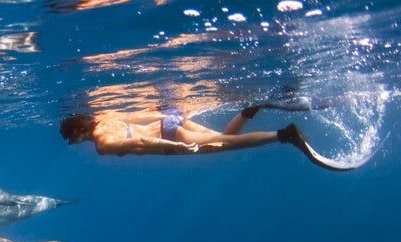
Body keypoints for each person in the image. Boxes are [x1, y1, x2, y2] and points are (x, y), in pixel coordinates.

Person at [60, 105, 316, 162]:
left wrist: (180, 146)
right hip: (170, 124)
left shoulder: (102, 143)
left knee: (229, 144)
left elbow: (140, 140)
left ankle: (284, 135)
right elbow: (137, 117)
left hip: (171, 139)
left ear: (77, 132)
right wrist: (169, 117)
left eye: (70, 138)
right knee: (223, 137)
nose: (72, 143)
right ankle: (247, 112)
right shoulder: (107, 118)